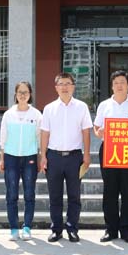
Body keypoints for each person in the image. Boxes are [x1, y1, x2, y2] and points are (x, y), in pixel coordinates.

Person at [40, 72, 93, 243]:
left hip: (74, 157)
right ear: (56, 87)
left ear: (73, 86)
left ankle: (72, 228)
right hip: (53, 157)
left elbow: (86, 132)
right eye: (61, 84)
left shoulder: (81, 107)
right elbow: (45, 133)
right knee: (54, 196)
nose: (65, 87)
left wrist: (87, 154)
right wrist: (43, 156)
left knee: (74, 196)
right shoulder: (49, 108)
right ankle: (56, 229)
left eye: (68, 83)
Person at [93, 70, 128, 244]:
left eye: (122, 82)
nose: (119, 85)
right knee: (110, 191)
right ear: (112, 86)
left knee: (127, 191)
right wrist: (99, 133)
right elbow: (96, 128)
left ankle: (127, 230)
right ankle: (111, 229)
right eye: (116, 83)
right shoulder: (104, 105)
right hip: (109, 150)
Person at [0, 81, 43, 241]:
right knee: (11, 194)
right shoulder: (8, 114)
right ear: (15, 94)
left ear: (30, 94)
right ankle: (13, 229)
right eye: (20, 92)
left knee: (29, 194)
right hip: (11, 157)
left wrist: (40, 158)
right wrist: (2, 159)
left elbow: (40, 138)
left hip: (30, 157)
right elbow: (3, 138)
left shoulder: (36, 115)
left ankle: (27, 227)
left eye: (26, 92)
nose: (23, 95)